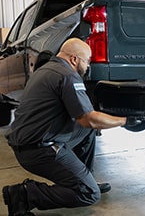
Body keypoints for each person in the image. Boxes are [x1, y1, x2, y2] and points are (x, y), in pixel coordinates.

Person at [2, 38, 136, 215]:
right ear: (74, 59)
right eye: (87, 60)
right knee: (89, 194)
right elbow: (89, 119)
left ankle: (83, 178)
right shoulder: (67, 75)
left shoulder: (46, 70)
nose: (88, 65)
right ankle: (25, 194)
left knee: (87, 131)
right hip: (39, 151)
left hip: (28, 143)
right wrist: (125, 121)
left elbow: (85, 123)